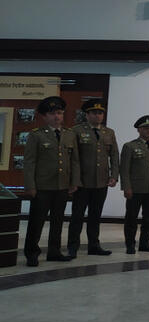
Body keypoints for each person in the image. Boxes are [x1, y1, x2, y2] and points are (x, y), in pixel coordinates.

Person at [23, 96, 79, 266]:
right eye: (53, 113)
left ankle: (54, 252)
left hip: (62, 185)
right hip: (42, 187)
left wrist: (74, 182)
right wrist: (30, 186)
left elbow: (74, 160)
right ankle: (32, 253)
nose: (57, 117)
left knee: (58, 221)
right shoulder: (36, 135)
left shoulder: (69, 134)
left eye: (60, 113)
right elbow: (29, 162)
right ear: (44, 116)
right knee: (36, 222)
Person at [68, 98, 118, 257]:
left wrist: (114, 175)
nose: (98, 116)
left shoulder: (109, 132)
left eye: (100, 113)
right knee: (77, 216)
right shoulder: (76, 131)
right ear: (87, 115)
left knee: (95, 216)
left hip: (101, 181)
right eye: (94, 113)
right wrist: (74, 180)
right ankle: (73, 246)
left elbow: (114, 156)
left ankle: (94, 245)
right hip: (82, 182)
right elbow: (73, 158)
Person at [120, 115, 149, 254]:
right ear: (139, 130)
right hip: (135, 189)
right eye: (145, 128)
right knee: (131, 218)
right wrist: (126, 187)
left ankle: (144, 243)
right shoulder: (130, 146)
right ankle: (130, 244)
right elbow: (124, 169)